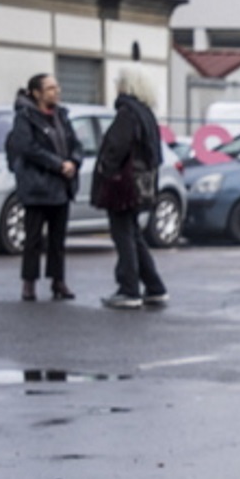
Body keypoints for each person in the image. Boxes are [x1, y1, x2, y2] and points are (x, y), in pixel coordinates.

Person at [91, 72, 169, 310]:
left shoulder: (127, 114)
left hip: (123, 185)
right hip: (142, 183)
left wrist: (106, 170)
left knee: (123, 234)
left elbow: (115, 147)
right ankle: (154, 286)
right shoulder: (146, 114)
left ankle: (129, 289)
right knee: (133, 233)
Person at [6, 73, 81, 302]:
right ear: (36, 93)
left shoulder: (61, 115)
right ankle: (29, 283)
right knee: (33, 239)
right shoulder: (25, 117)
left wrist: (74, 162)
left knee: (58, 239)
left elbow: (75, 144)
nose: (56, 92)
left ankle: (58, 281)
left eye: (56, 87)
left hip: (61, 186)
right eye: (50, 88)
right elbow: (27, 148)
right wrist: (58, 165)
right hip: (37, 186)